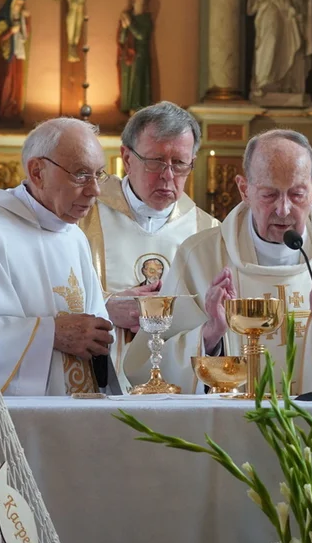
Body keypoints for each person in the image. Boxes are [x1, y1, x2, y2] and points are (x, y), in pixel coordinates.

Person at [123, 129, 312, 394]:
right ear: (244, 189)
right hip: (228, 430)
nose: (283, 210)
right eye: (269, 195)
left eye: (297, 194)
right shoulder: (199, 258)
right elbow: (145, 369)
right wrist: (210, 335)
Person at [0, 117, 114, 395]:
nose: (95, 190)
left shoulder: (74, 235)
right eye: (80, 174)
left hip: (81, 410)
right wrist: (50, 333)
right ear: (37, 172)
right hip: (15, 418)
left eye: (98, 174)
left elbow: (94, 327)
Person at [78, 101, 217, 393]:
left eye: (179, 163)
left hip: (173, 392)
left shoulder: (210, 233)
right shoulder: (80, 218)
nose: (168, 176)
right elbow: (43, 300)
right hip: (93, 382)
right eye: (155, 161)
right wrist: (103, 309)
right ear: (127, 159)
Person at [0, 0, 30, 122]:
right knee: (7, 80)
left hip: (18, 53)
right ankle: (2, 111)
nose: (18, 7)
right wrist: (10, 31)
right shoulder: (3, 17)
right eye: (16, 4)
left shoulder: (21, 17)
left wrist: (27, 20)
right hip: (6, 56)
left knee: (17, 82)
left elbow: (25, 36)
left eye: (21, 4)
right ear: (11, 3)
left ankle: (14, 110)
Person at [117, 0, 153, 113]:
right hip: (128, 55)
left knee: (137, 82)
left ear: (144, 2)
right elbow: (122, 39)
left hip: (140, 54)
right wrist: (124, 26)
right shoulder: (129, 16)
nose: (135, 0)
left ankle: (136, 109)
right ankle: (127, 109)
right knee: (127, 83)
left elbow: (141, 35)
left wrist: (130, 23)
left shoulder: (146, 19)